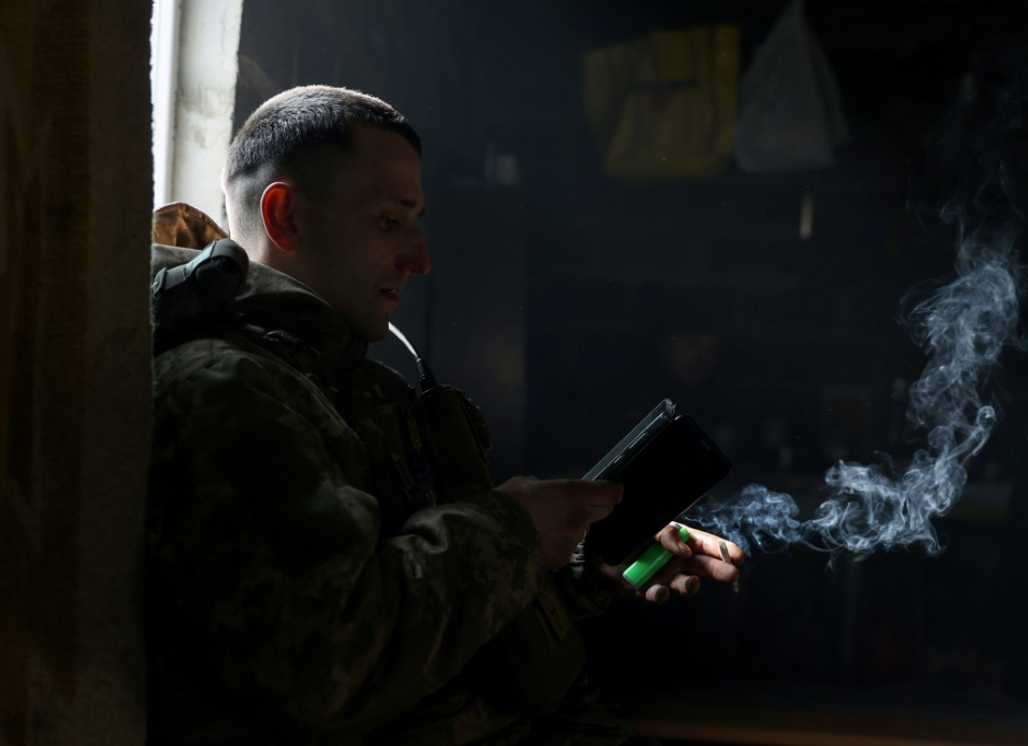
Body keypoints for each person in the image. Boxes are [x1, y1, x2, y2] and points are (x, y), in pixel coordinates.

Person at [147, 84, 744, 746]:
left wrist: (583, 563)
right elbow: (334, 663)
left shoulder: (342, 384)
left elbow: (431, 625)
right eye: (388, 222)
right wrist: (514, 530)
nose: (420, 259)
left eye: (417, 221)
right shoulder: (226, 390)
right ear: (286, 217)